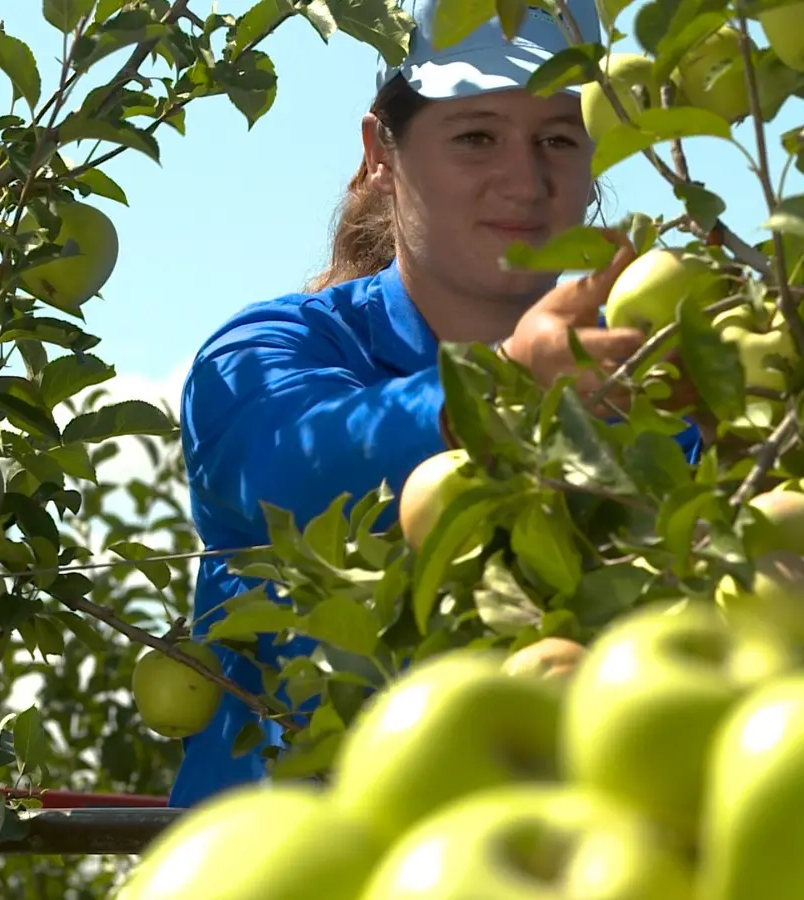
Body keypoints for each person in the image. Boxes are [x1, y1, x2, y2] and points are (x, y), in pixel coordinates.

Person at [170, 0, 703, 809]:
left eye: (558, 139)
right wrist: (510, 387)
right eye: (476, 135)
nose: (524, 180)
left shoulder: (651, 388)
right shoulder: (268, 353)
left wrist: (752, 425)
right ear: (380, 152)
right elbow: (296, 470)